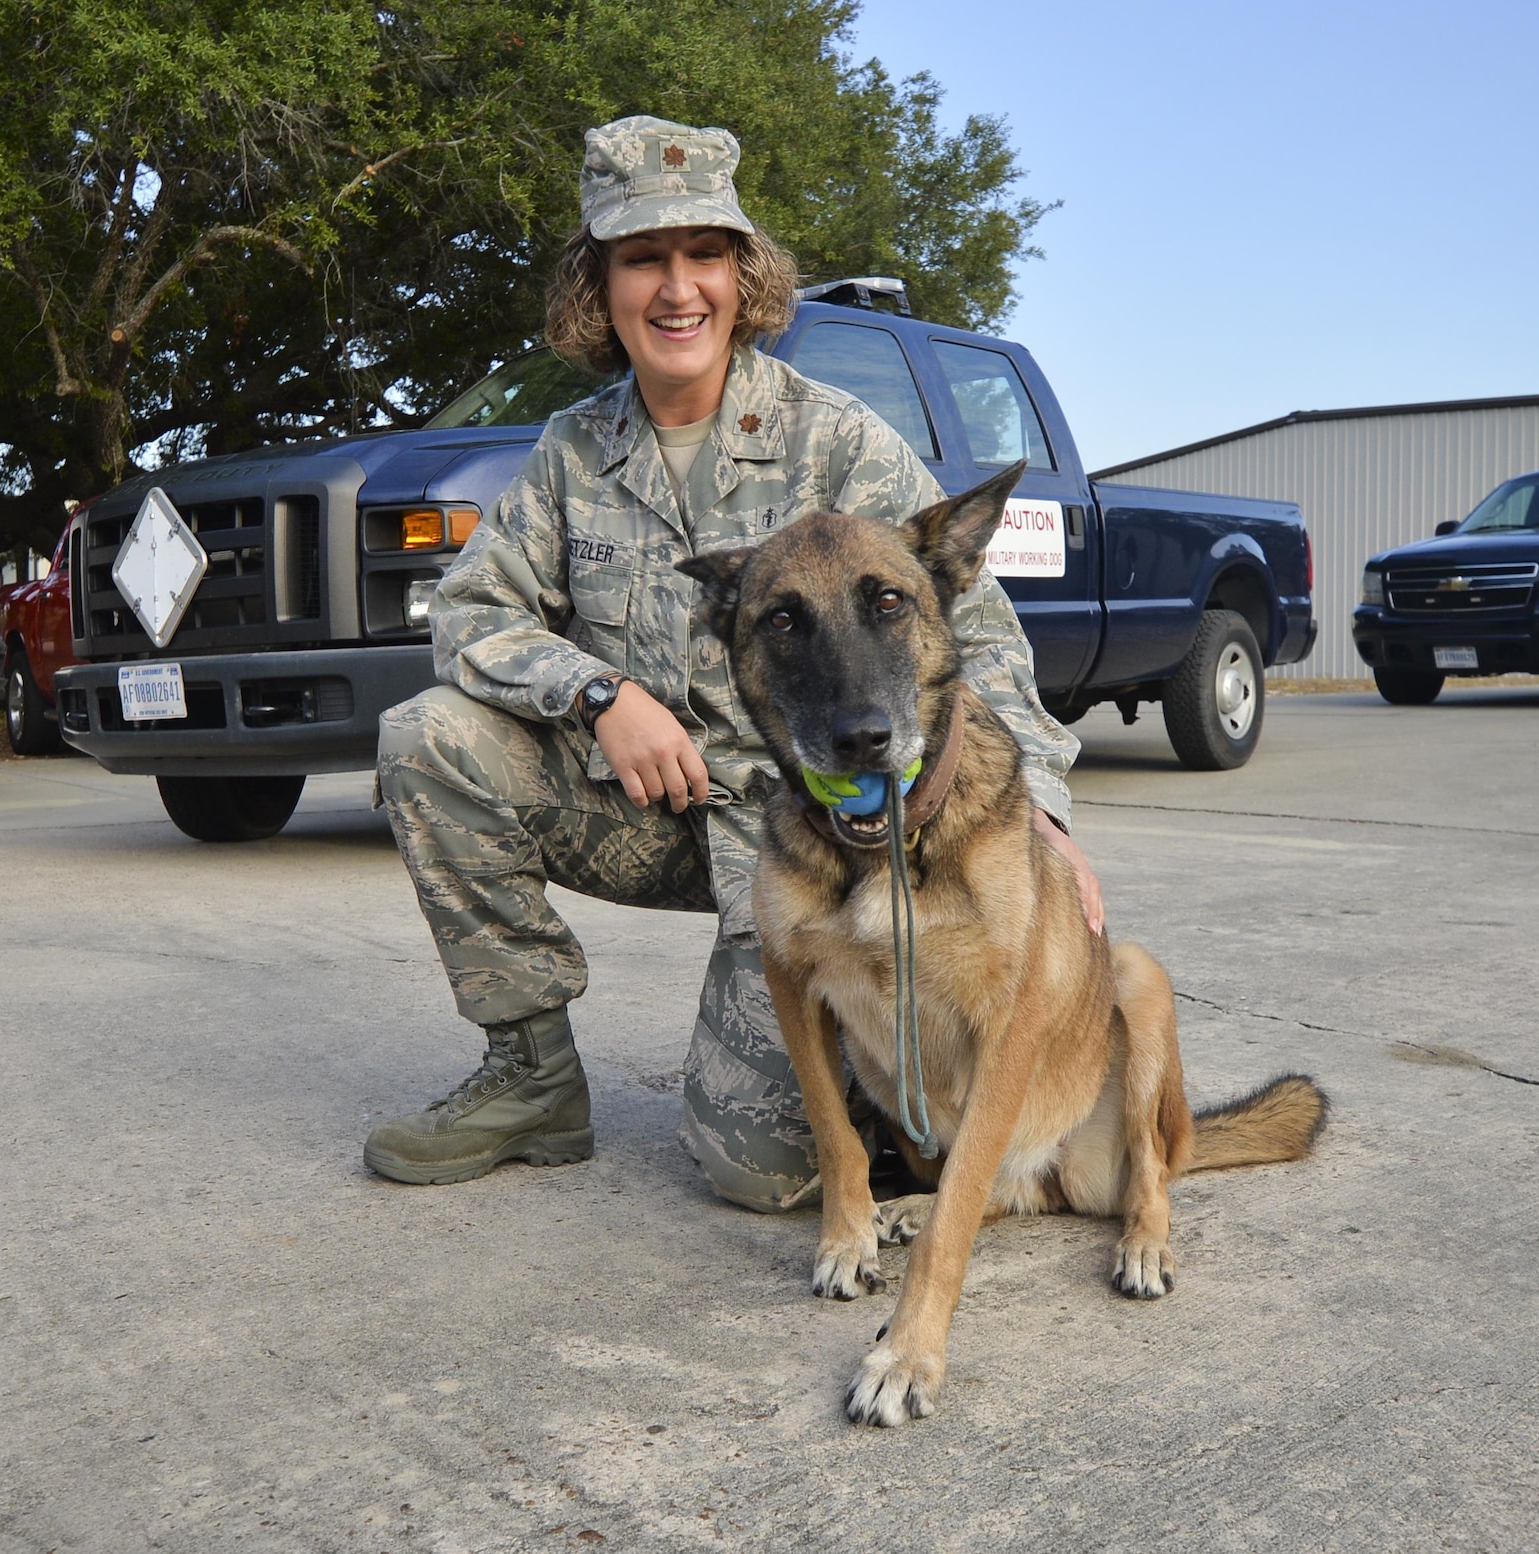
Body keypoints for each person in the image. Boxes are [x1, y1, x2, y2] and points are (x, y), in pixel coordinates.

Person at [367, 115, 1099, 1210]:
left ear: (741, 273)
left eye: (703, 254)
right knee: (426, 737)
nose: (677, 289)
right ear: (598, 284)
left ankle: (882, 1086)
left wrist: (1040, 813)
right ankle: (530, 1078)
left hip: (818, 834)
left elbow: (975, 636)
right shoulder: (572, 452)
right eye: (641, 258)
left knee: (759, 1175)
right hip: (648, 808)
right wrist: (601, 692)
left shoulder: (839, 442)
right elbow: (470, 617)